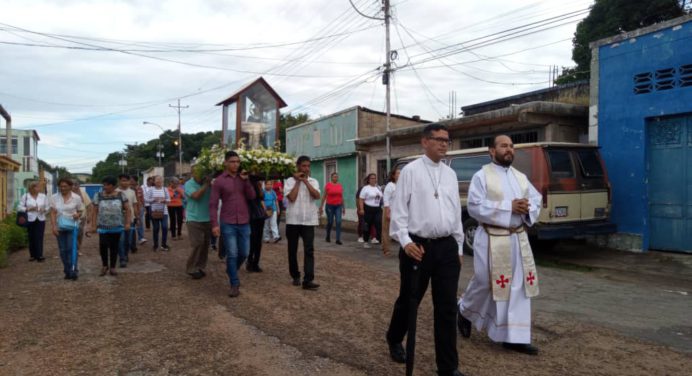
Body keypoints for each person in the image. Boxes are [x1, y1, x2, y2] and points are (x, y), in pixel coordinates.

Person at [387, 124, 465, 376]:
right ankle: (394, 337)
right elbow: (398, 211)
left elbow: (455, 214)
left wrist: (459, 247)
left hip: (446, 247)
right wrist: (406, 242)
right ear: (425, 142)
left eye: (447, 140)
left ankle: (447, 366)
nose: (444, 144)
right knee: (410, 300)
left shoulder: (450, 174)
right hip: (417, 246)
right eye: (439, 139)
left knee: (447, 307)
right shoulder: (410, 171)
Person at [457, 134, 542, 356]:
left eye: (512, 146)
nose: (509, 149)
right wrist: (509, 207)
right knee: (485, 281)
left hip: (517, 238)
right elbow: (475, 206)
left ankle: (515, 337)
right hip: (492, 237)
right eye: (504, 145)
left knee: (518, 287)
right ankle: (464, 310)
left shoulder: (520, 177)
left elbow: (536, 199)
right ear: (491, 151)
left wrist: (527, 207)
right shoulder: (481, 176)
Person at [210, 151, 256, 298]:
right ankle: (234, 284)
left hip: (244, 221)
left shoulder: (243, 179)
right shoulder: (219, 181)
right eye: (232, 161)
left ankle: (231, 270)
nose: (235, 164)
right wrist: (214, 224)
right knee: (232, 253)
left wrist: (246, 181)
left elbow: (252, 196)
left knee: (244, 253)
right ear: (225, 163)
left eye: (237, 161)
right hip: (227, 222)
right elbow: (213, 204)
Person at [284, 155, 321, 290]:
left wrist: (305, 181)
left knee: (309, 250)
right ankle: (295, 275)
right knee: (292, 250)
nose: (306, 169)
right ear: (298, 166)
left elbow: (317, 196)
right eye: (304, 166)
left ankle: (308, 280)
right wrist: (298, 181)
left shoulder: (314, 181)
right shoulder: (289, 181)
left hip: (309, 221)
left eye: (308, 166)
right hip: (293, 220)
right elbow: (292, 198)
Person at [90, 176, 131, 277]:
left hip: (117, 226)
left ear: (113, 186)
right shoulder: (98, 195)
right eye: (104, 185)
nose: (105, 187)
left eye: (107, 185)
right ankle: (104, 265)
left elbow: (128, 210)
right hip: (103, 227)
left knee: (114, 246)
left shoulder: (121, 195)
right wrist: (93, 225)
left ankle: (112, 266)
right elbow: (94, 211)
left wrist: (127, 223)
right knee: (103, 245)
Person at [50, 177, 85, 280]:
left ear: (70, 187)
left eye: (65, 186)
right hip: (59, 226)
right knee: (62, 250)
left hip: (72, 226)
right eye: (61, 186)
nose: (63, 188)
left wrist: (77, 215)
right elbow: (52, 213)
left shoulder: (76, 198)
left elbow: (80, 210)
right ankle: (67, 269)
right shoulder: (54, 197)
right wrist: (53, 226)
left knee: (71, 248)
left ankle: (73, 270)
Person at [184, 172, 211, 279]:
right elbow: (196, 196)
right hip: (193, 218)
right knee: (197, 243)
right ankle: (191, 268)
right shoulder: (189, 184)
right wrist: (206, 184)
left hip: (207, 218)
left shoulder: (209, 183)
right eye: (198, 172)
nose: (201, 174)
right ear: (193, 174)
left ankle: (200, 267)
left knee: (205, 244)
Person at [17, 181, 49, 262]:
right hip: (30, 219)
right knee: (31, 237)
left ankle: (40, 255)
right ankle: (32, 255)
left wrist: (44, 210)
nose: (39, 188)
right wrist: (28, 209)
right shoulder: (26, 196)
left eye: (39, 187)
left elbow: (48, 207)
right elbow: (19, 207)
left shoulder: (43, 196)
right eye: (37, 187)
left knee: (39, 237)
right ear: (31, 188)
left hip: (40, 218)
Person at [116, 174, 138, 267]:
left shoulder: (132, 192)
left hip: (131, 219)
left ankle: (125, 254)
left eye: (126, 180)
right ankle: (122, 258)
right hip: (118, 219)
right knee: (121, 239)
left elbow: (135, 205)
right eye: (122, 180)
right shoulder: (115, 192)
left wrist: (137, 217)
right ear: (119, 181)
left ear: (129, 181)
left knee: (128, 240)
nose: (124, 182)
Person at [146, 176, 170, 252]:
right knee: (156, 228)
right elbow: (146, 199)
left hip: (164, 212)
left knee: (165, 227)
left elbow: (169, 199)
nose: (159, 181)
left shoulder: (165, 189)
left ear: (162, 181)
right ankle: (155, 245)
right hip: (154, 212)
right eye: (157, 180)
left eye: (160, 180)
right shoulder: (151, 189)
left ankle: (163, 244)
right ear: (154, 181)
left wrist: (164, 200)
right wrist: (153, 199)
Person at [319, 172, 345, 245]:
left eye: (336, 177)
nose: (335, 178)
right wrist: (321, 206)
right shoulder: (328, 185)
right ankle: (328, 235)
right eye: (334, 177)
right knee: (330, 222)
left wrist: (343, 207)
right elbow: (324, 196)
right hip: (330, 206)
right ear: (331, 178)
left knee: (338, 221)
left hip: (338, 206)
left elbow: (341, 197)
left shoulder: (340, 186)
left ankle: (338, 239)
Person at [358, 173, 383, 249]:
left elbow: (381, 197)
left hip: (377, 208)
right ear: (368, 180)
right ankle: (366, 241)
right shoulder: (365, 188)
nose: (373, 179)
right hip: (368, 208)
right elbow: (361, 199)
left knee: (379, 223)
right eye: (372, 178)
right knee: (367, 226)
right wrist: (361, 209)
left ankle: (379, 239)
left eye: (375, 178)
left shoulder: (378, 188)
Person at [247, 180, 266, 273]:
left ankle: (255, 263)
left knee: (258, 241)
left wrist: (259, 186)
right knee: (252, 240)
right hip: (251, 216)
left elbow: (262, 197)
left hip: (259, 216)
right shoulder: (247, 185)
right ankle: (250, 262)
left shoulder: (258, 186)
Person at [382, 168, 400, 255]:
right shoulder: (390, 185)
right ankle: (386, 249)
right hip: (389, 209)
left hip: (398, 211)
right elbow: (386, 199)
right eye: (398, 173)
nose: (400, 175)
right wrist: (387, 211)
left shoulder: (401, 185)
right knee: (386, 230)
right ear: (393, 175)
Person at [72, 180, 92, 253]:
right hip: (70, 218)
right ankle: (75, 248)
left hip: (81, 217)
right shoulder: (67, 194)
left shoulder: (83, 193)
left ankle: (78, 248)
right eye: (73, 185)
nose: (74, 186)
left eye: (76, 185)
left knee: (79, 234)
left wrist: (89, 216)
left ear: (78, 186)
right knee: (71, 234)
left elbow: (89, 206)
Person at [131, 175, 147, 246]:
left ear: (135, 181)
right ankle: (131, 239)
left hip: (140, 207)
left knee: (140, 222)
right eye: (130, 180)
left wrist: (144, 206)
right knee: (132, 223)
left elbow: (142, 198)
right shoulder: (128, 189)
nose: (130, 181)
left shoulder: (139, 188)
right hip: (130, 208)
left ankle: (141, 238)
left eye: (132, 180)